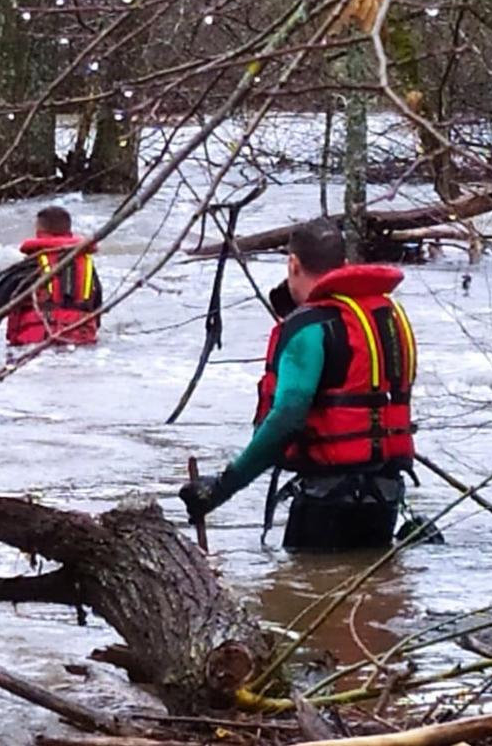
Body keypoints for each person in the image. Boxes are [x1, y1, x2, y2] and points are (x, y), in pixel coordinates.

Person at [179, 219, 418, 552]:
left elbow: (287, 418)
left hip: (326, 502)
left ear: (293, 264)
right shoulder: (388, 316)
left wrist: (221, 488)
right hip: (386, 495)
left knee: (303, 599)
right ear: (344, 265)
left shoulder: (308, 328)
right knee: (370, 595)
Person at [0, 206, 103, 348]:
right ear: (69, 233)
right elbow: (96, 314)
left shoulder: (30, 267)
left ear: (39, 233)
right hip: (81, 346)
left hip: (35, 348)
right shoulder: (88, 269)